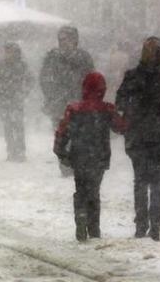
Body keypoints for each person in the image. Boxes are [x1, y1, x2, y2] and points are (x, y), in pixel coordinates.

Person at [116, 37, 160, 240]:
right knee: (156, 181)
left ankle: (141, 223)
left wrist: (133, 109)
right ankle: (155, 224)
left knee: (140, 180)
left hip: (137, 136)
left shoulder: (132, 77)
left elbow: (120, 102)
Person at [54, 72, 127, 242]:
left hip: (79, 155)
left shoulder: (74, 109)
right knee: (94, 190)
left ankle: (80, 214)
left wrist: (60, 151)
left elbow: (62, 131)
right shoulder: (107, 109)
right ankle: (94, 227)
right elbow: (121, 127)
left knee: (81, 188)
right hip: (99, 156)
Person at [40, 26, 95, 176]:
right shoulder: (52, 56)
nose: (63, 42)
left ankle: (77, 164)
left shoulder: (84, 57)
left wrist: (87, 97)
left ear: (75, 40)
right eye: (61, 39)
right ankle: (65, 166)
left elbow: (92, 79)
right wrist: (50, 95)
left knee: (78, 135)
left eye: (67, 39)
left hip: (79, 103)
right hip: (58, 103)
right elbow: (44, 78)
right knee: (61, 136)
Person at [0, 42, 33, 161]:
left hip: (16, 99)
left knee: (18, 125)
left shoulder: (22, 65)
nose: (7, 54)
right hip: (4, 99)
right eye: (6, 51)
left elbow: (31, 80)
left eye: (10, 51)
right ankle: (11, 151)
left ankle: (21, 151)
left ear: (16, 52)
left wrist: (24, 92)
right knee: (8, 126)